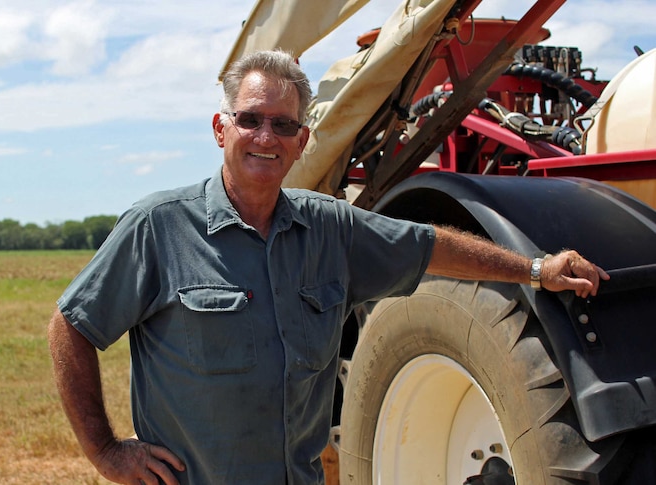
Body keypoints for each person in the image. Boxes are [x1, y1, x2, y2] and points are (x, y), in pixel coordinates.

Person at [48, 50, 609, 485]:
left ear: (302, 142)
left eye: (283, 126)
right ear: (222, 130)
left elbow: (429, 245)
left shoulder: (329, 229)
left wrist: (535, 269)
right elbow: (71, 326)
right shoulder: (159, 228)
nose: (266, 137)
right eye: (250, 120)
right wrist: (105, 451)